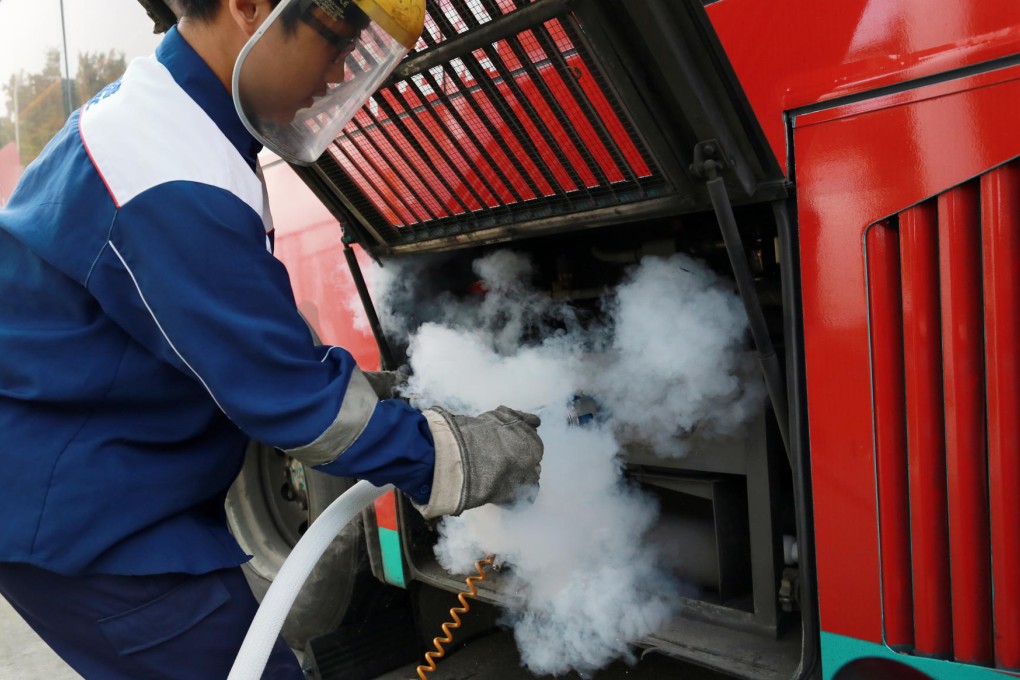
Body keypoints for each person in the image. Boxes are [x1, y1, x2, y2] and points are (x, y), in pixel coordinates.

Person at [0, 0, 544, 677]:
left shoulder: (173, 124)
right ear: (250, 7)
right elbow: (293, 402)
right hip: (88, 521)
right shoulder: (162, 167)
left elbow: (248, 353)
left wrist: (387, 398)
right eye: (338, 40)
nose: (338, 73)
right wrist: (463, 455)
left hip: (95, 491)